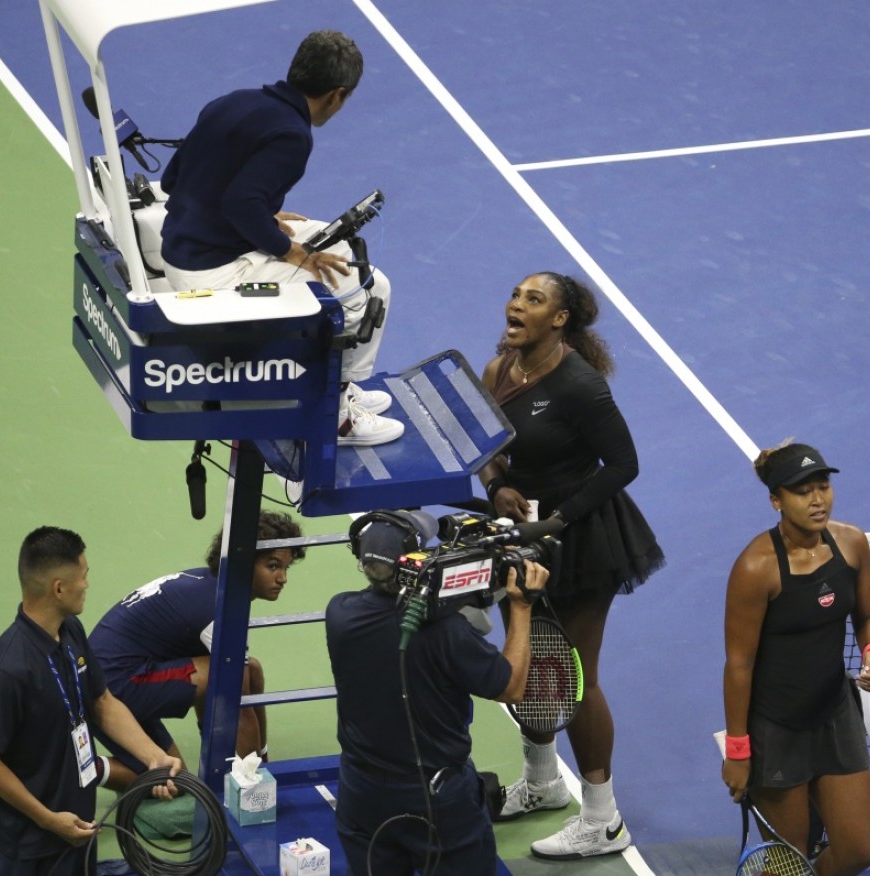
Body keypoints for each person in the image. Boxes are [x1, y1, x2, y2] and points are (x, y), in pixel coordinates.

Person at [477, 272, 665, 860]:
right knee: (528, 660)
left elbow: (624, 463)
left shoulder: (581, 385)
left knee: (576, 678)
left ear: (559, 320)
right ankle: (541, 784)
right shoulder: (497, 369)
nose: (516, 304)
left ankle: (604, 821)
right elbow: (485, 446)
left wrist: (556, 523)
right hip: (523, 532)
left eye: (534, 299)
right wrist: (498, 486)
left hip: (584, 540)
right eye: (516, 294)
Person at [159, 29, 402, 447]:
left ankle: (343, 386)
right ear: (337, 94)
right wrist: (294, 253)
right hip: (211, 274)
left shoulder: (233, 101)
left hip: (185, 250)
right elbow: (240, 203)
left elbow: (173, 179)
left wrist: (265, 216)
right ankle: (336, 417)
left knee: (371, 279)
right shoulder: (293, 134)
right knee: (349, 288)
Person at [325, 509, 549, 875]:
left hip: (360, 790)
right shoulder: (446, 634)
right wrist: (522, 607)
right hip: (436, 796)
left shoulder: (340, 613)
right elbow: (511, 687)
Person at [0, 526, 182, 876]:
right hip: (34, 842)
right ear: (58, 588)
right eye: (83, 575)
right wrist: (49, 820)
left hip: (78, 822)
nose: (87, 584)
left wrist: (153, 757)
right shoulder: (8, 671)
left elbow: (102, 702)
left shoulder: (69, 630)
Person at [721, 442, 870, 875]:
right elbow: (738, 664)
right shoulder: (756, 568)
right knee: (786, 860)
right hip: (776, 728)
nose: (817, 500)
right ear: (776, 500)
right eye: (802, 491)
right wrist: (738, 751)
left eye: (823, 486)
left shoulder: (852, 544)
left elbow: (868, 614)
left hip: (834, 714)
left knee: (858, 850)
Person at [87, 510, 304, 789]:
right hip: (112, 691)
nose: (283, 578)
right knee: (176, 781)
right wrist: (254, 787)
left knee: (249, 670)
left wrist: (256, 758)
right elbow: (237, 701)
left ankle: (236, 758)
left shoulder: (210, 584)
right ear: (244, 563)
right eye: (273, 566)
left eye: (286, 567)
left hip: (117, 676)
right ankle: (77, 769)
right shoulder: (219, 610)